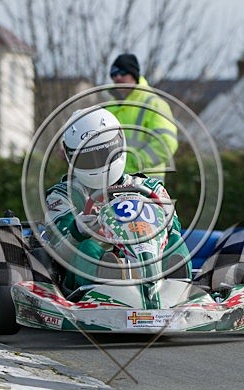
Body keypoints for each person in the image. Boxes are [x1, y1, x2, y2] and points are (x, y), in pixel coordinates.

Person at [44, 107, 189, 291]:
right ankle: (109, 281)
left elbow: (173, 229)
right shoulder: (63, 195)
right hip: (90, 278)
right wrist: (77, 230)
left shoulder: (149, 188)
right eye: (88, 158)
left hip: (148, 260)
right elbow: (56, 250)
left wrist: (168, 221)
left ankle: (178, 289)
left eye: (105, 154)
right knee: (87, 249)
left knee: (175, 241)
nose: (98, 163)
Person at [107, 53, 178, 179]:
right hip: (115, 180)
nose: (117, 77)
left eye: (122, 72)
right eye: (113, 74)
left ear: (134, 74)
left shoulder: (154, 103)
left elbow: (167, 142)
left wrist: (134, 163)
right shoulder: (109, 107)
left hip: (146, 182)